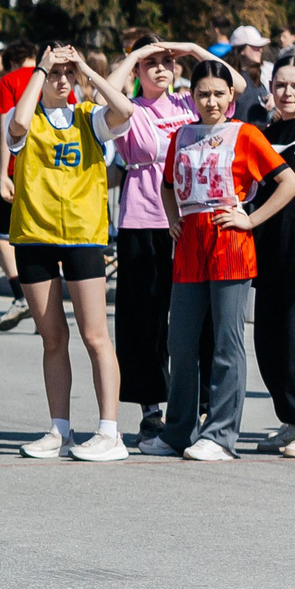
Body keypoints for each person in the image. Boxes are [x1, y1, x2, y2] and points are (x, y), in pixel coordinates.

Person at [152, 58, 295, 460]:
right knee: (180, 342)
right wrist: (172, 218)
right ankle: (178, 430)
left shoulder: (247, 134)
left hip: (231, 245)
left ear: (232, 96)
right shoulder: (181, 136)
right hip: (188, 247)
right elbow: (168, 185)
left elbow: (290, 182)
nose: (211, 101)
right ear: (192, 96)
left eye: (219, 93)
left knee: (226, 343)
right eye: (203, 93)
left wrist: (250, 219)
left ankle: (219, 435)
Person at [2, 43, 135, 460]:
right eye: (54, 73)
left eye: (67, 74)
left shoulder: (90, 117)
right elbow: (19, 125)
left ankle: (110, 432)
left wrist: (86, 71)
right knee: (52, 337)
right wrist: (40, 70)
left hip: (82, 235)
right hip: (34, 235)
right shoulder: (26, 114)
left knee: (95, 335)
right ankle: (60, 430)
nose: (62, 80)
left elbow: (126, 112)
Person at [110, 36, 215, 443]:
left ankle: (204, 405)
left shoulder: (190, 102)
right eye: (150, 62)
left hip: (191, 218)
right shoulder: (129, 108)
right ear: (136, 69)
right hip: (144, 221)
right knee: (144, 319)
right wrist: (133, 55)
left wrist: (191, 47)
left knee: (198, 316)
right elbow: (108, 88)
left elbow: (234, 85)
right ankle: (151, 409)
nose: (161, 68)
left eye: (167, 61)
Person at [248, 56, 295, 456]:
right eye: (281, 85)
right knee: (270, 339)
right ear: (270, 88)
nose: (288, 93)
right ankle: (292, 420)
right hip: (270, 251)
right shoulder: (267, 131)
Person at [0, 42, 39, 325]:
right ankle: (44, 301)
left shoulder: (9, 81)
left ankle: (21, 294)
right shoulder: (52, 78)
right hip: (51, 169)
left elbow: (7, 127)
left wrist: (4, 173)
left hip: (19, 167)